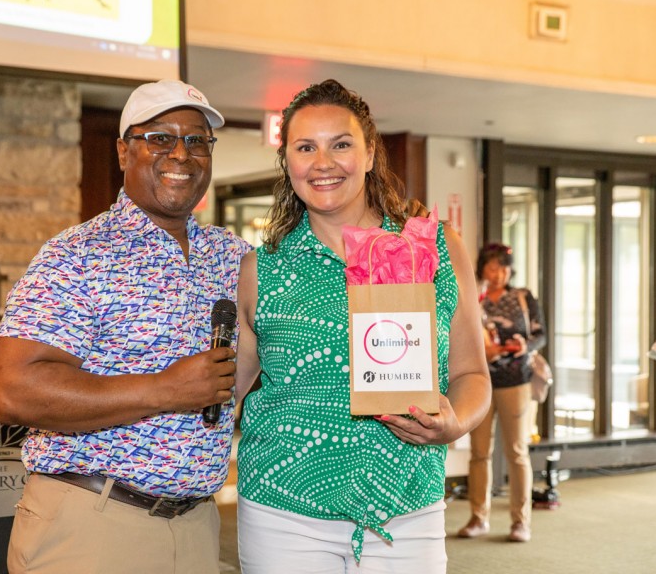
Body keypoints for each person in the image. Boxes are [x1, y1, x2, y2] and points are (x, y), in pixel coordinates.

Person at [0, 79, 251, 574]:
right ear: (123, 151)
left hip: (198, 527)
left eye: (197, 140)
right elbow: (13, 391)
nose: (181, 153)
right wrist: (164, 390)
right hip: (92, 524)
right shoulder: (76, 255)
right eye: (160, 138)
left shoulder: (232, 256)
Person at [233, 79, 491, 573]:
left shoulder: (436, 248)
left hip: (408, 507)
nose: (323, 162)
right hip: (284, 511)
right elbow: (227, 392)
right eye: (305, 147)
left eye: (341, 145)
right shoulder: (261, 269)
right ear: (287, 162)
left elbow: (472, 375)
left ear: (370, 153)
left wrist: (455, 422)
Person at [457, 243, 547, 543]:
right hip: (479, 382)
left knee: (517, 451)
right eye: (493, 267)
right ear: (483, 268)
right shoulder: (474, 297)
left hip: (516, 380)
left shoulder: (522, 296)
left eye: (504, 267)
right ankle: (478, 517)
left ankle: (521, 522)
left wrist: (524, 346)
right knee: (479, 452)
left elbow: (540, 335)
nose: (499, 273)